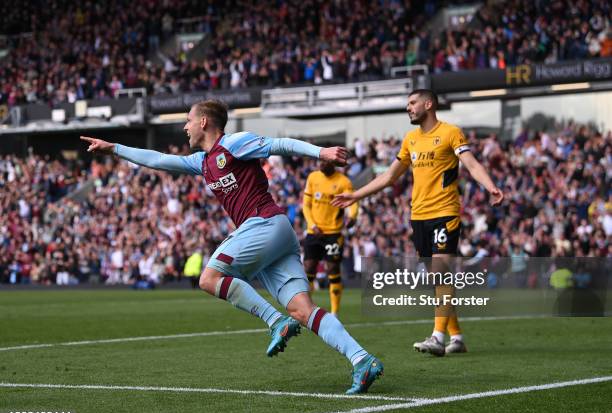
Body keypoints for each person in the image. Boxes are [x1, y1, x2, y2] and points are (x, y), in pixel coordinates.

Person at [81, 99, 382, 393]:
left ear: (203, 122)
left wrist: (321, 152)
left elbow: (280, 144)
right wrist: (115, 149)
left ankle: (275, 321)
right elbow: (159, 160)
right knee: (302, 310)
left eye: (188, 120)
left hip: (263, 223)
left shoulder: (235, 143)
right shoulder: (202, 162)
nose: (184, 127)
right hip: (275, 233)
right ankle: (362, 360)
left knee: (209, 278)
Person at [333, 89, 503, 356]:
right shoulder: (410, 139)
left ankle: (437, 337)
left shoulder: (450, 132)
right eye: (407, 104)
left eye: (412, 103)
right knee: (438, 278)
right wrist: (356, 194)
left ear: (429, 103)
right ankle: (456, 337)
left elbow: (471, 164)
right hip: (419, 217)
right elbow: (390, 177)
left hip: (445, 212)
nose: (408, 108)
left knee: (440, 271)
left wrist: (491, 187)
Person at [302, 159, 358, 315]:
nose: (321, 164)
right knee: (308, 268)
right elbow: (306, 205)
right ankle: (306, 309)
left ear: (333, 164)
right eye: (320, 161)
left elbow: (352, 202)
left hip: (333, 233)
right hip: (314, 232)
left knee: (332, 268)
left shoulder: (343, 181)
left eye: (325, 162)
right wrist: (312, 224)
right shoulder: (313, 177)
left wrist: (353, 216)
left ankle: (335, 312)